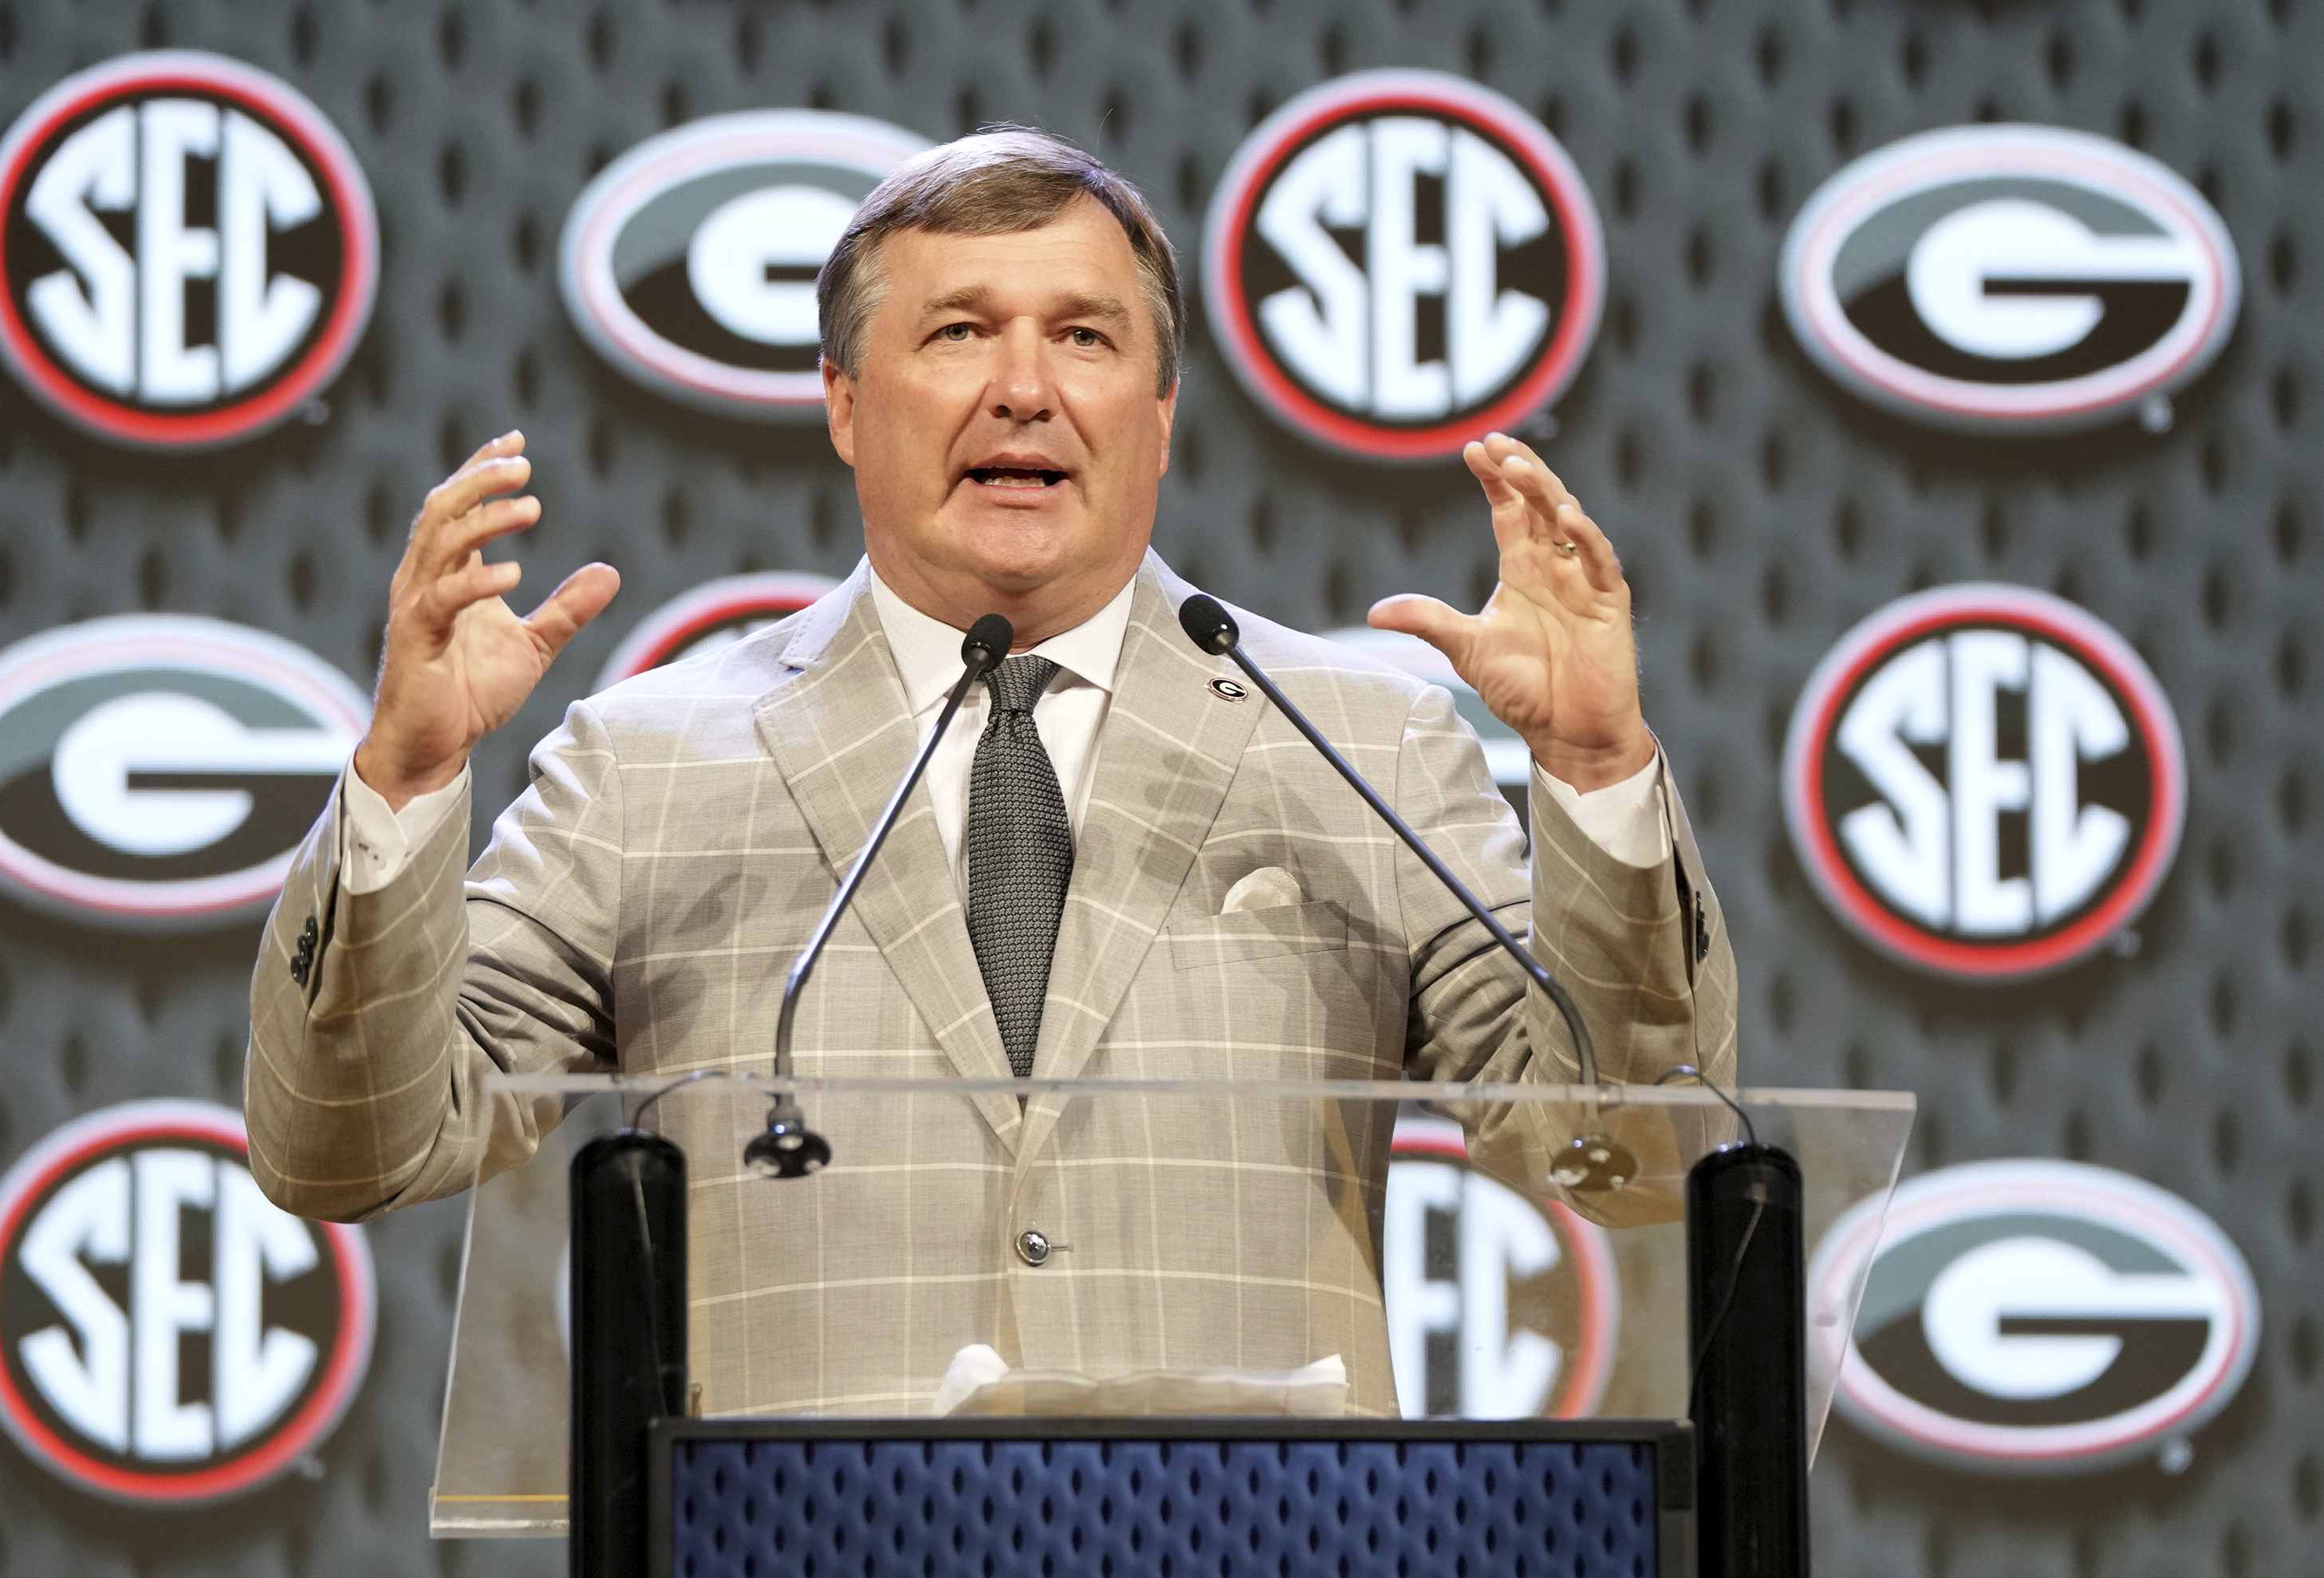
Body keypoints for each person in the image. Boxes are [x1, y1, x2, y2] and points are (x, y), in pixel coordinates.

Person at [245, 130, 1736, 1416]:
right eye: (958, 332)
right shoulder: (647, 760)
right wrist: (406, 775)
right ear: (843, 403)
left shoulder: (1361, 738)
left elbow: (1625, 1149)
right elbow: (351, 1146)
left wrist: (1596, 765)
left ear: (1158, 417)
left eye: (1084, 338)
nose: (1024, 389)